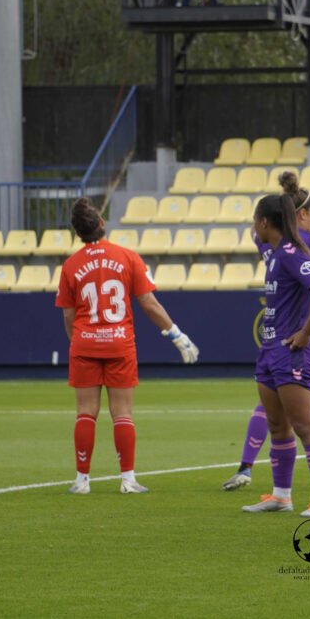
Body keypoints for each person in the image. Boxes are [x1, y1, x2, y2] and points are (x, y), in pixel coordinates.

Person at [222, 171, 310, 491]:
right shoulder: (307, 243)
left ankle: (249, 468)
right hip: (305, 327)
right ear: (300, 214)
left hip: (279, 336)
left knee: (277, 411)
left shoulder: (267, 243)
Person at [57, 198, 199, 495]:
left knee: (86, 412)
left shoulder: (70, 266)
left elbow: (69, 316)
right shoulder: (128, 257)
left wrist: (80, 342)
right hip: (120, 344)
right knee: (122, 413)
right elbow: (149, 304)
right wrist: (176, 335)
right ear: (102, 224)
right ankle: (128, 479)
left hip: (84, 344)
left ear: (79, 233)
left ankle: (82, 481)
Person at [241, 194, 310, 517]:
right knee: (277, 425)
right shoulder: (274, 253)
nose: (254, 227)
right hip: (269, 351)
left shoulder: (291, 254)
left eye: (256, 220)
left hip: (290, 352)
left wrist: (306, 332)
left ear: (265, 222)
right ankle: (282, 496)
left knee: (304, 425)